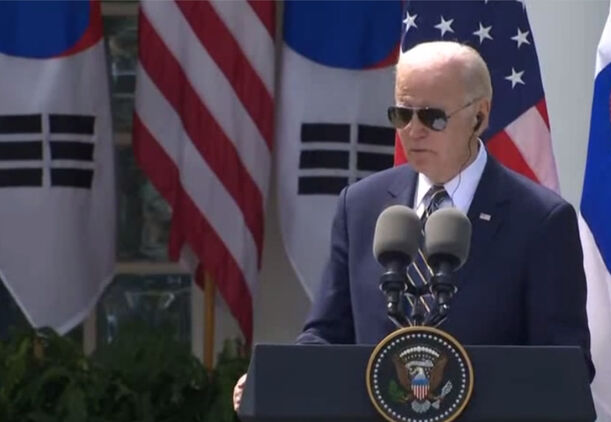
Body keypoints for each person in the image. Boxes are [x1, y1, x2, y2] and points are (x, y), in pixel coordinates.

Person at [233, 40, 592, 411]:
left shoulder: (540, 220)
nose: (414, 131)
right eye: (402, 115)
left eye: (432, 117)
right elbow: (326, 334)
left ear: (479, 116)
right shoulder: (360, 206)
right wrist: (278, 379)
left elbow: (565, 365)